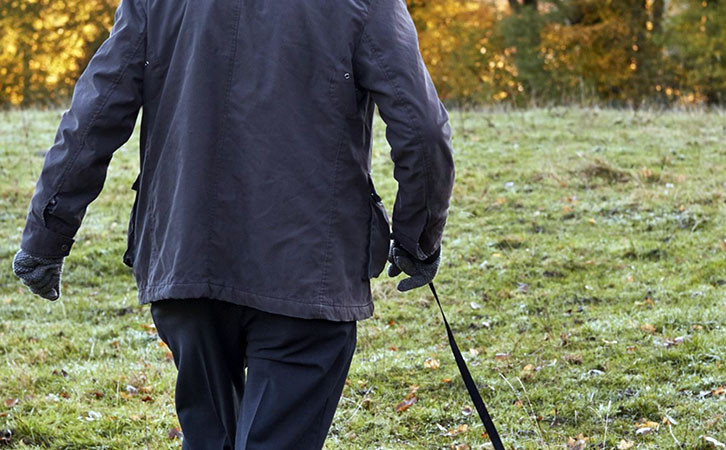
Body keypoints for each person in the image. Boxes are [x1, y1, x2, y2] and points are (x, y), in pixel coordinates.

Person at [11, 0, 455, 448]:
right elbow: (422, 128)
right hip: (306, 272)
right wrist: (418, 239)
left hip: (187, 259)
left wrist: (45, 239)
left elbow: (96, 111)